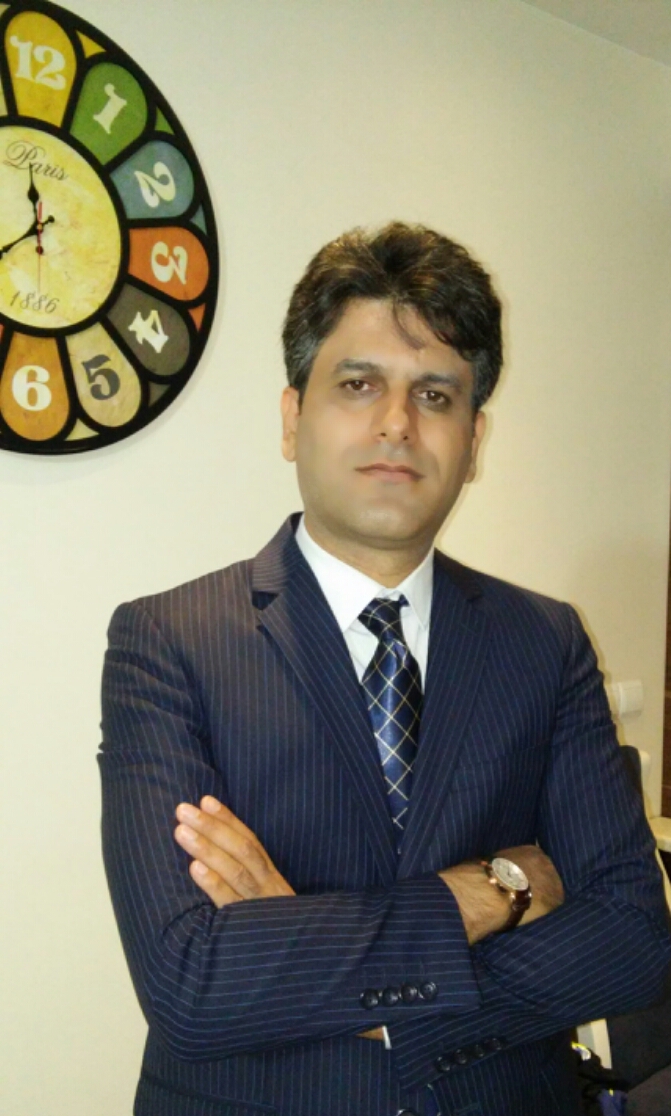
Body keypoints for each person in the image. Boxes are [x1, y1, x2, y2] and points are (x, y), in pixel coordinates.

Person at [99, 222, 671, 1116]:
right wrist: (485, 893)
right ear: (292, 418)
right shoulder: (167, 642)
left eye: (435, 394)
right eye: (358, 384)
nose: (397, 423)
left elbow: (631, 937)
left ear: (472, 441)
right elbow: (192, 981)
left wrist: (380, 1008)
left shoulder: (544, 641)